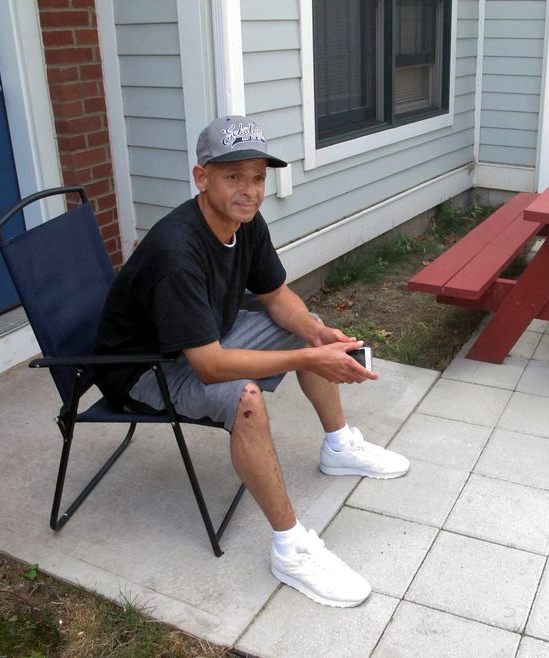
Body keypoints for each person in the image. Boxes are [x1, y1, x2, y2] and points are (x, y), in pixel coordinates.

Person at [93, 115, 409, 608]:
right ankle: (291, 547)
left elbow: (278, 295)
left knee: (304, 323)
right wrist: (309, 355)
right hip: (147, 367)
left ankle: (339, 446)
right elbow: (210, 368)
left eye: (258, 177)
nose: (250, 190)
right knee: (246, 399)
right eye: (233, 176)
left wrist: (318, 335)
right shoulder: (177, 251)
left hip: (202, 339)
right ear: (202, 178)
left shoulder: (244, 219)